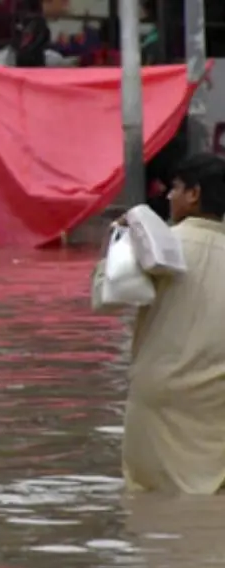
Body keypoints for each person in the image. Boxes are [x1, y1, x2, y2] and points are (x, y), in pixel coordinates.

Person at [120, 153, 225, 495]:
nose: (168, 196)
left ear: (193, 194)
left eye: (174, 189)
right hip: (217, 394)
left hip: (160, 394)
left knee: (150, 499)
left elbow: (107, 294)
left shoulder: (160, 246)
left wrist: (121, 241)